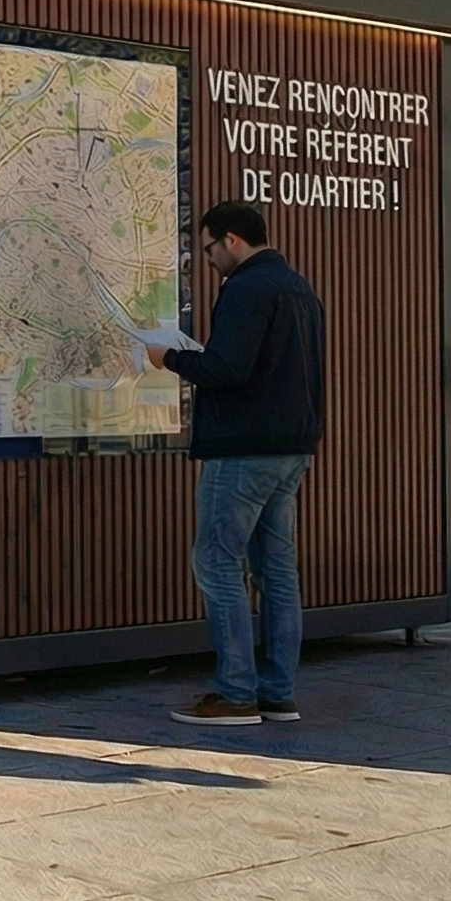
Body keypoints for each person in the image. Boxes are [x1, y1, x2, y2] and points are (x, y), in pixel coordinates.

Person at [147, 201, 326, 727]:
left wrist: (170, 358)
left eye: (208, 249)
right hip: (291, 447)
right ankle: (277, 693)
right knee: (276, 571)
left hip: (243, 449)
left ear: (231, 239)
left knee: (217, 562)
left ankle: (234, 693)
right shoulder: (299, 288)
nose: (207, 260)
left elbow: (228, 369)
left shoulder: (247, 288)